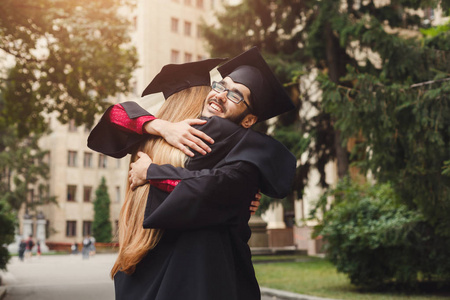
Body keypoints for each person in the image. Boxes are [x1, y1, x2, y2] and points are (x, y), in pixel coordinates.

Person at [88, 47, 296, 300]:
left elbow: (213, 188)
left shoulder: (249, 150)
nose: (221, 95)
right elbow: (116, 116)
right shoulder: (173, 131)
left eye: (235, 95)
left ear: (249, 120)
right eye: (221, 86)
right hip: (153, 260)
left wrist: (151, 172)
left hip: (205, 270)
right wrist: (163, 127)